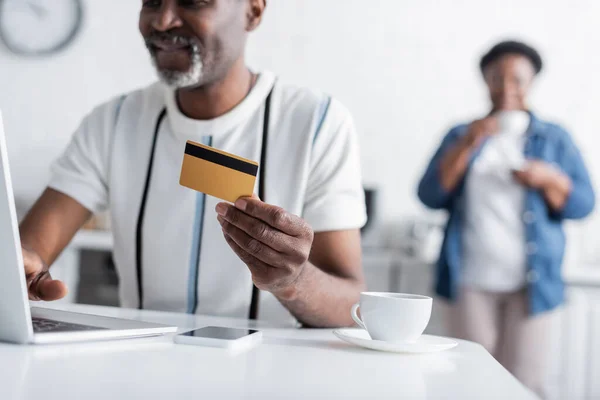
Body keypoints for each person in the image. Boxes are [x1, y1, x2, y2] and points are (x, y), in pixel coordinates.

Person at [20, 0, 367, 328]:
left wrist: (294, 280)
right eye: (151, 2)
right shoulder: (112, 121)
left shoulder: (318, 123)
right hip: (142, 372)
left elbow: (351, 305)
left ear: (253, 11)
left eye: (193, 1)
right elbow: (30, 250)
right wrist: (20, 268)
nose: (162, 20)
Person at [417, 40, 595, 397]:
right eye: (497, 78)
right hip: (469, 281)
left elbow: (584, 204)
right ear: (485, 80)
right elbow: (429, 194)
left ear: (532, 82)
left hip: (532, 285)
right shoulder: (461, 134)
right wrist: (470, 142)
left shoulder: (554, 139)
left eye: (517, 79)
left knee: (523, 384)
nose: (507, 88)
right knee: (468, 382)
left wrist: (550, 179)